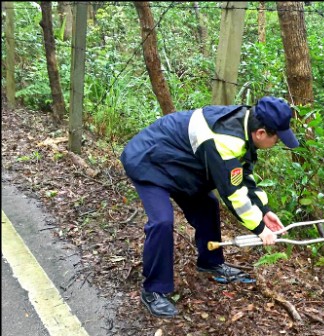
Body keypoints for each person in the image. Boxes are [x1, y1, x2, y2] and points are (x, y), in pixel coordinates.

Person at [120, 96, 299, 318]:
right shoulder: (226, 140)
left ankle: (211, 263)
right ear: (261, 133)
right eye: (278, 139)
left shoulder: (245, 125)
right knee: (162, 221)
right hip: (148, 161)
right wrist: (260, 231)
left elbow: (243, 177)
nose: (277, 143)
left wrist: (264, 212)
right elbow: (233, 194)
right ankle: (153, 290)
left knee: (207, 205)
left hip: (179, 166)